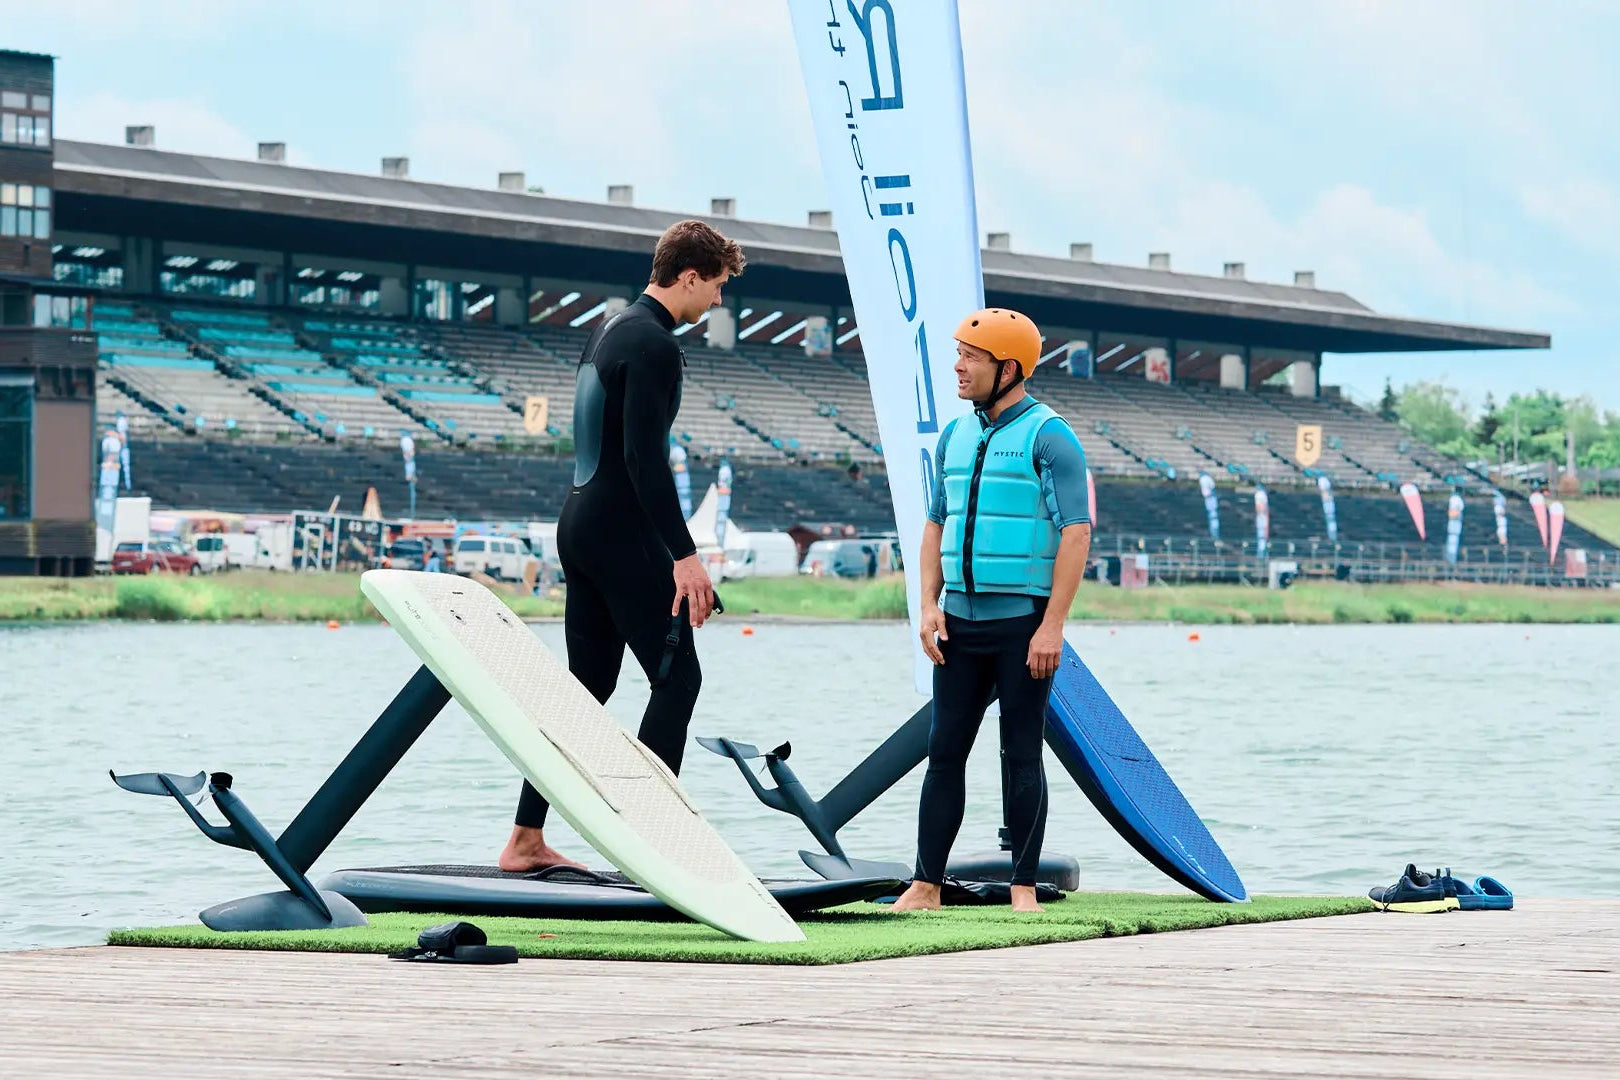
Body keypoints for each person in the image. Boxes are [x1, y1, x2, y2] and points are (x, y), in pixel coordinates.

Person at [499, 220, 745, 871]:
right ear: (690, 276)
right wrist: (685, 558)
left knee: (588, 687)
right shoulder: (654, 343)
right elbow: (643, 460)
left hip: (579, 523)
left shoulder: (611, 326)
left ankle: (525, 839)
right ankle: (651, 845)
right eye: (717, 287)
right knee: (679, 679)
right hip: (619, 530)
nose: (718, 302)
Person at [892, 308, 1092, 914]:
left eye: (971, 358)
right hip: (958, 623)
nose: (958, 366)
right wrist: (928, 605)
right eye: (959, 354)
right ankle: (925, 885)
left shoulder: (1050, 436)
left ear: (1008, 368)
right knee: (945, 749)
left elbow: (1076, 532)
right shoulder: (956, 434)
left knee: (1020, 749)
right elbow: (934, 525)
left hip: (1021, 626)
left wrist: (1051, 626)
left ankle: (1024, 888)